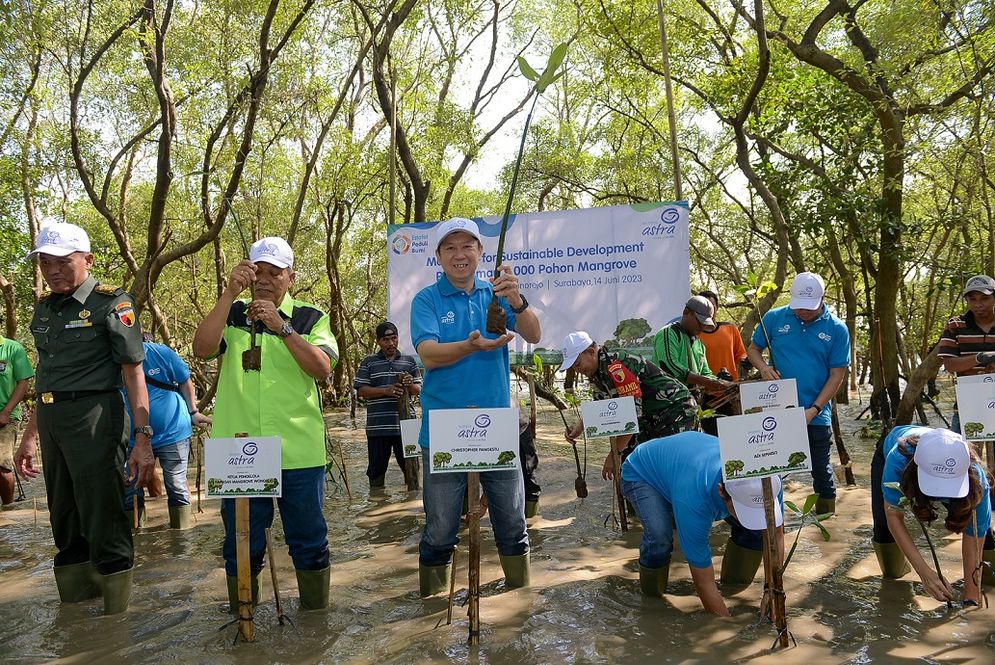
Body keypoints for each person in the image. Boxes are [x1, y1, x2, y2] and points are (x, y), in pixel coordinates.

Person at [14, 222, 154, 615]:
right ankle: (76, 620)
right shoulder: (45, 308)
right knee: (64, 516)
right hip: (52, 418)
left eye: (63, 261)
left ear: (87, 260)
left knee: (103, 514)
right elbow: (46, 374)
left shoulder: (112, 303)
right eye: (45, 262)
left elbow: (133, 373)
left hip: (95, 417)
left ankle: (115, 625)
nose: (53, 270)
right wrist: (30, 436)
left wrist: (143, 440)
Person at [193, 236, 338, 611]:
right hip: (239, 450)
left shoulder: (310, 317)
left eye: (275, 273)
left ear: (291, 277)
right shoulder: (234, 314)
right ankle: (245, 615)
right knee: (241, 542)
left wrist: (282, 327)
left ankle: (315, 624)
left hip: (298, 450)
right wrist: (228, 294)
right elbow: (202, 348)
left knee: (308, 539)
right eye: (259, 272)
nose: (266, 280)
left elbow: (323, 369)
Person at [410, 217, 541, 597]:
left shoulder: (498, 293)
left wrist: (517, 301)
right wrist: (470, 345)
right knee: (439, 528)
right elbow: (428, 355)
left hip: (496, 425)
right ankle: (432, 607)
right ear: (438, 257)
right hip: (443, 429)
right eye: (450, 247)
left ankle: (519, 604)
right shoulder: (426, 299)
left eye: (468, 245)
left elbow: (533, 334)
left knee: (513, 524)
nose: (459, 254)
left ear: (481, 253)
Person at [620, 431, 785, 615]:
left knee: (753, 531)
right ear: (722, 492)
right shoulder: (694, 500)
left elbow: (775, 535)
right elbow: (703, 582)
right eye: (745, 511)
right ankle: (651, 599)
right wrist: (726, 626)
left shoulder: (769, 479)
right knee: (660, 537)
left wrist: (771, 589)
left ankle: (733, 585)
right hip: (642, 473)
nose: (754, 518)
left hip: (682, 467)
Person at [747, 271, 850, 515]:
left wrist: (814, 409)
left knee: (820, 470)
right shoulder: (773, 318)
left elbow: (837, 375)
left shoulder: (837, 329)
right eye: (799, 307)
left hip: (815, 411)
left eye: (809, 308)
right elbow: (753, 349)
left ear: (822, 299)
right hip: (776, 410)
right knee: (770, 469)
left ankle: (826, 520)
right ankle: (772, 519)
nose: (803, 312)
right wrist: (763, 368)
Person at [876, 427, 992, 607]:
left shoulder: (976, 478)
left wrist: (971, 599)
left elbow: (975, 535)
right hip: (901, 465)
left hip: (958, 478)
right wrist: (924, 573)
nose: (941, 492)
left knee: (986, 537)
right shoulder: (898, 459)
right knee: (884, 534)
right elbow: (894, 517)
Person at [560, 331, 698, 480]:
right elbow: (601, 407)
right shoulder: (596, 372)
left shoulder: (617, 365)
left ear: (591, 352)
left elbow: (631, 414)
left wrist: (615, 454)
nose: (577, 370)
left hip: (676, 410)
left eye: (578, 364)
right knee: (633, 466)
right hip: (649, 418)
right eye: (574, 367)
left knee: (669, 467)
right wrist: (579, 428)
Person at [123, 334, 212, 528]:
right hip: (130, 438)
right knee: (130, 489)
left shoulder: (160, 352)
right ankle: (138, 543)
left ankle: (181, 543)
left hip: (173, 432)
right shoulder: (107, 359)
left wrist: (194, 411)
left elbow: (184, 380)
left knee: (176, 485)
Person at [353, 321, 422, 491]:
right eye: (385, 339)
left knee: (412, 471)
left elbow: (417, 390)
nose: (391, 343)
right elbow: (361, 391)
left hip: (407, 426)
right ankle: (377, 502)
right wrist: (386, 391)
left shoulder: (409, 361)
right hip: (378, 427)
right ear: (378, 341)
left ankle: (410, 508)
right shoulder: (369, 362)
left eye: (394, 338)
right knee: (376, 473)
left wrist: (409, 383)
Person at [937, 275, 995, 434]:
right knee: (966, 456)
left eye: (984, 298)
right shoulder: (956, 325)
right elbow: (949, 365)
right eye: (973, 299)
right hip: (968, 404)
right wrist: (979, 357)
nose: (978, 304)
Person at [652, 295, 733, 397]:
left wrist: (721, 381)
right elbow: (671, 367)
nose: (702, 326)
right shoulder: (668, 333)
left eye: (705, 323)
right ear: (686, 312)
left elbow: (705, 373)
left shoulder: (699, 344)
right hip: (667, 401)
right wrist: (707, 382)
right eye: (699, 321)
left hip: (691, 403)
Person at [696, 290, 749, 436]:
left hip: (731, 393)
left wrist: (746, 361)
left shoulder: (730, 329)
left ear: (717, 307)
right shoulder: (693, 334)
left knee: (734, 436)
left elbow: (741, 354)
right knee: (711, 438)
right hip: (706, 396)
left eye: (712, 306)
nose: (708, 310)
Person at [0, 318, 34, 506]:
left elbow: (23, 382)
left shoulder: (13, 349)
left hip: (6, 417)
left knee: (1, 464)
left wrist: (6, 411)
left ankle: (8, 508)